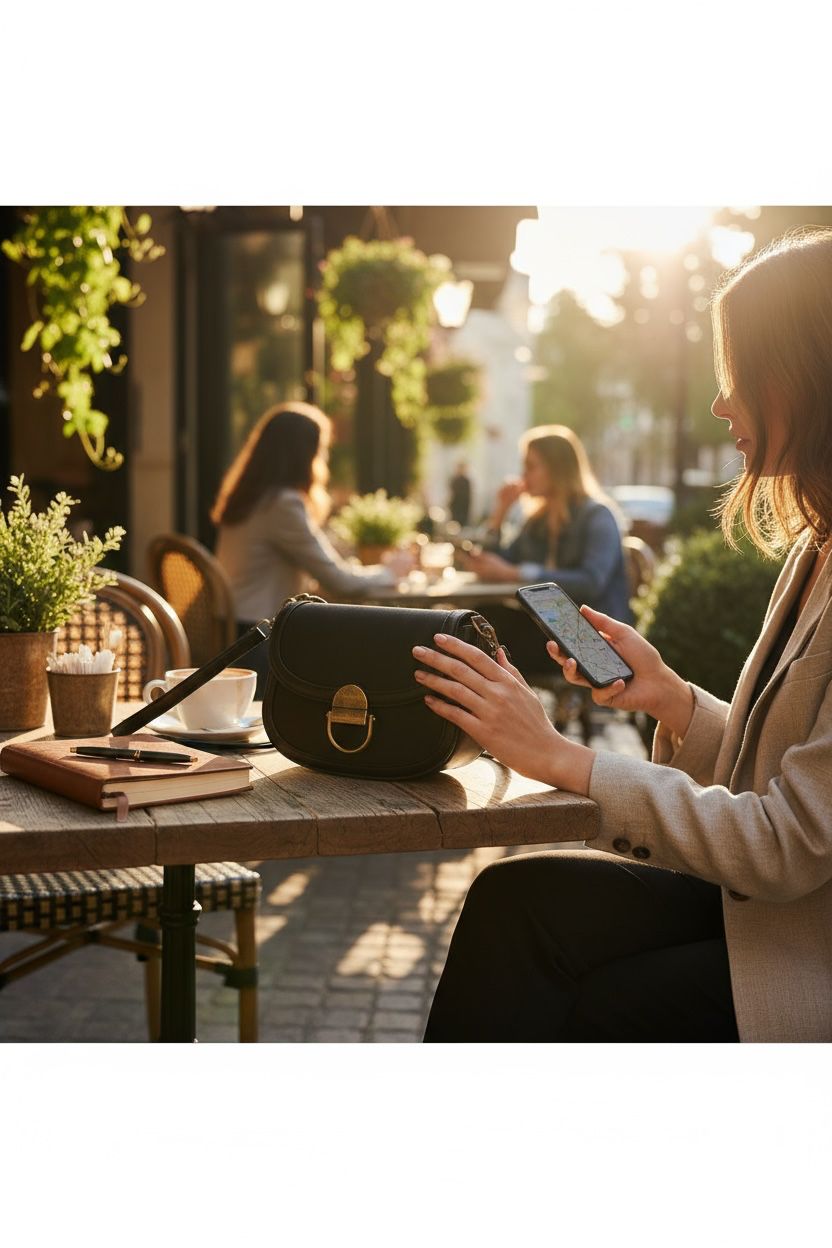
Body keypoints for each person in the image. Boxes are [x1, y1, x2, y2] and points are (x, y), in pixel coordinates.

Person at [413, 227, 832, 1043]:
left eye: (739, 373)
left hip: (804, 944)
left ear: (807, 374)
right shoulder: (815, 550)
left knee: (598, 1004)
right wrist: (675, 702)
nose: (720, 404)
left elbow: (787, 844)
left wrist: (562, 759)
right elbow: (787, 779)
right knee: (513, 902)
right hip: (774, 913)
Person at [212, 402, 410, 693]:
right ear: (304, 455)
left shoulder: (252, 499)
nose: (324, 458)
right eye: (322, 449)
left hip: (234, 636)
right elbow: (338, 581)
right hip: (260, 643)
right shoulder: (282, 504)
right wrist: (390, 572)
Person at [464, 424, 632, 675]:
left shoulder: (598, 516)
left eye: (531, 466)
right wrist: (500, 513)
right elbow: (497, 563)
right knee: (478, 621)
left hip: (592, 640)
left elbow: (591, 582)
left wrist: (517, 573)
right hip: (550, 630)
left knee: (489, 634)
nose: (523, 475)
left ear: (557, 469)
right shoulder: (537, 520)